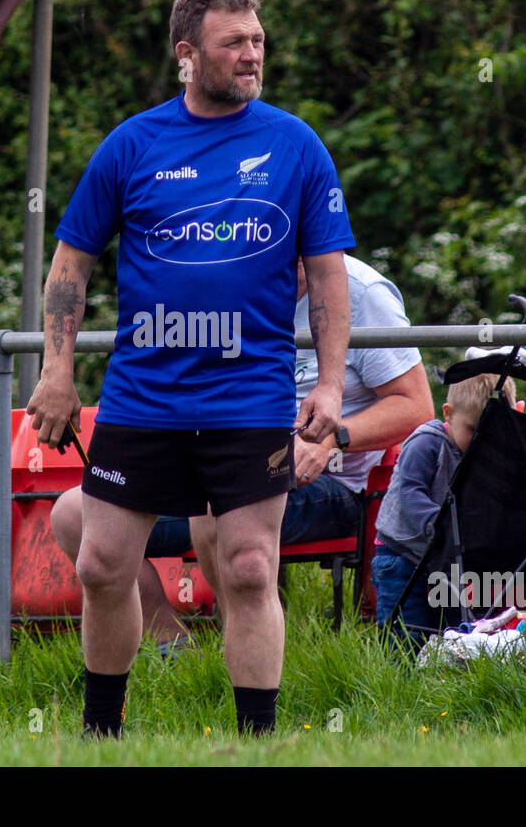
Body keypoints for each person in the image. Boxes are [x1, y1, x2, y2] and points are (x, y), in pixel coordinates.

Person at [26, 0, 355, 737]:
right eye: (233, 42)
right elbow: (70, 266)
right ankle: (100, 734)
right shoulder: (132, 144)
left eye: (258, 41)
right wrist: (55, 370)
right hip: (147, 397)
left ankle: (257, 742)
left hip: (252, 398)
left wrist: (333, 386)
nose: (251, 55)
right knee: (102, 565)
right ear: (187, 55)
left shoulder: (296, 144)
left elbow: (330, 275)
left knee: (247, 566)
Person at [49, 253, 433, 645]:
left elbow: (415, 407)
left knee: (225, 501)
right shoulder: (224, 277)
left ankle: (247, 642)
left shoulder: (363, 293)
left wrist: (335, 438)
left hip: (326, 481)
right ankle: (174, 646)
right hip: (214, 457)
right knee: (73, 513)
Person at [372, 372, 516, 644]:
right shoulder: (427, 442)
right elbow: (410, 493)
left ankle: (445, 676)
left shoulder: (489, 457)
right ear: (448, 414)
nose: (480, 441)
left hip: (449, 561)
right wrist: (445, 526)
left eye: (492, 432)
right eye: (473, 429)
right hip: (402, 553)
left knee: (456, 631)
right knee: (406, 633)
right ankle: (402, 681)